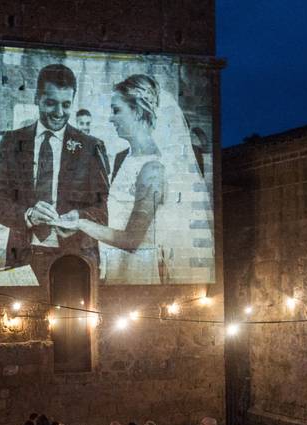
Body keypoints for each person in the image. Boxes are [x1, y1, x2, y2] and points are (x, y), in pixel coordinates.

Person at [76, 73, 211, 285]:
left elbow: (132, 240)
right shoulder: (126, 158)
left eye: (117, 110)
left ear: (138, 112)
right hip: (116, 266)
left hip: (138, 273)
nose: (111, 118)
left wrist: (81, 224)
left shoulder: (154, 167)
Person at [0, 63, 109, 272]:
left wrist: (79, 219)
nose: (59, 112)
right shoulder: (11, 141)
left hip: (77, 260)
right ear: (37, 98)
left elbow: (102, 212)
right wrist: (27, 216)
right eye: (51, 103)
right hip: (23, 257)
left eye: (66, 104)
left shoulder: (92, 147)